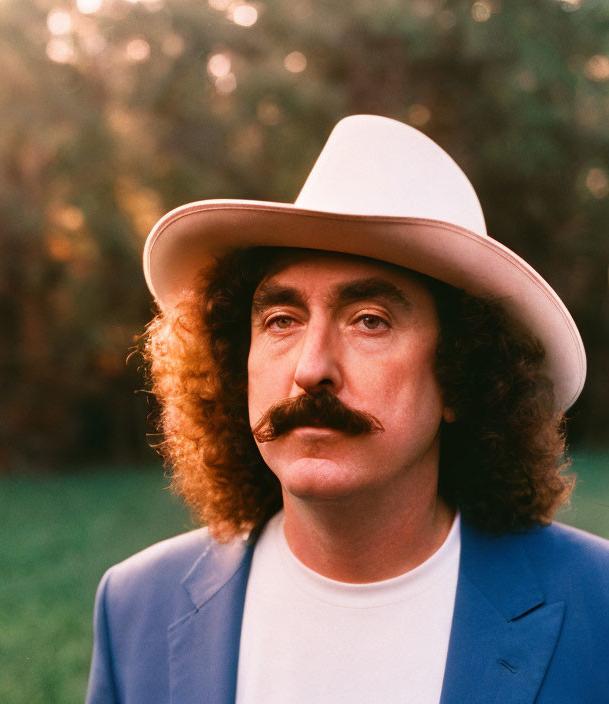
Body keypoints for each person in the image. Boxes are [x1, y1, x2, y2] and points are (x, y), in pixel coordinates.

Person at [85, 115, 609, 703]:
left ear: (465, 376)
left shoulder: (599, 606)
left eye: (369, 321)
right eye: (281, 320)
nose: (311, 368)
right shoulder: (136, 609)